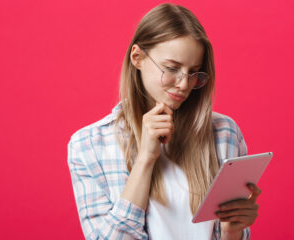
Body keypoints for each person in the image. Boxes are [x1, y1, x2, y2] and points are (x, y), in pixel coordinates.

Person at [67, 3, 261, 240]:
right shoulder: (89, 145)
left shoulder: (224, 133)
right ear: (137, 57)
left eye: (194, 72)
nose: (184, 84)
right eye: (172, 68)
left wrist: (233, 229)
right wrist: (146, 159)